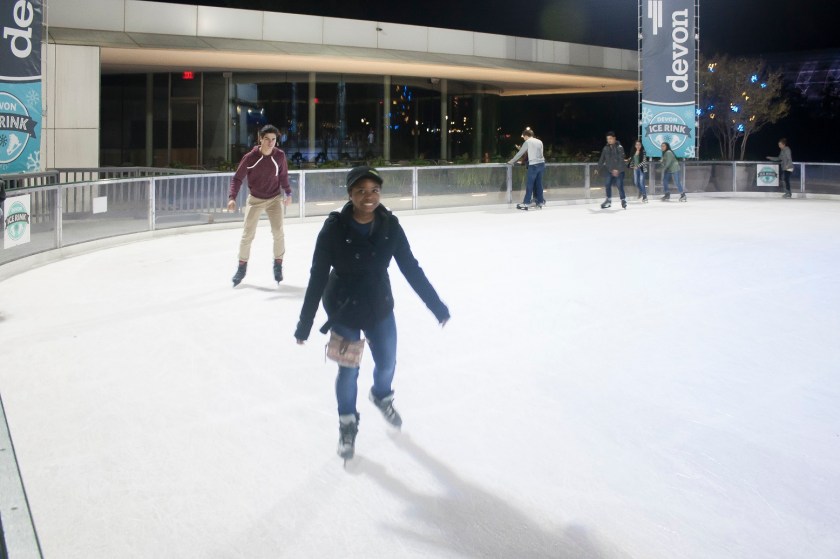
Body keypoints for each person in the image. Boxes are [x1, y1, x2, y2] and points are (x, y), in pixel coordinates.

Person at [294, 165, 450, 460]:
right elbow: (317, 276)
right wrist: (305, 322)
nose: (369, 196)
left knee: (387, 362)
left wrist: (435, 304)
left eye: (374, 190)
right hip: (343, 308)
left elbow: (410, 268)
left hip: (379, 305)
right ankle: (347, 423)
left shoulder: (390, 226)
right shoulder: (333, 228)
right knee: (348, 370)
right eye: (361, 191)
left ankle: (381, 395)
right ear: (350, 193)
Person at [227, 124, 292, 287]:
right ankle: (241, 267)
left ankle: (278, 264)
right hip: (255, 199)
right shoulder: (250, 157)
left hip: (274, 199)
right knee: (247, 234)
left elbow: (283, 175)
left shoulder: (280, 156)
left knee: (278, 232)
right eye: (267, 139)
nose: (271, 143)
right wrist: (232, 197)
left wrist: (288, 193)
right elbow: (237, 178)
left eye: (274, 139)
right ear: (260, 139)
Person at [507, 129, 546, 210]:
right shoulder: (539, 141)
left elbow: (520, 153)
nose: (523, 138)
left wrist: (512, 161)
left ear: (526, 136)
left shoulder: (527, 142)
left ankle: (526, 203)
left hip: (533, 165)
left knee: (530, 184)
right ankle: (540, 202)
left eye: (523, 137)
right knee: (539, 184)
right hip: (541, 164)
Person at [598, 131, 627, 209]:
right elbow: (602, 159)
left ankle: (623, 200)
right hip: (609, 170)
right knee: (607, 184)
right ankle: (608, 200)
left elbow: (621, 159)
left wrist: (617, 169)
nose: (609, 140)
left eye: (610, 138)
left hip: (619, 171)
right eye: (607, 139)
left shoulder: (619, 147)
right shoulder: (605, 148)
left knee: (619, 185)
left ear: (614, 138)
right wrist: (598, 168)